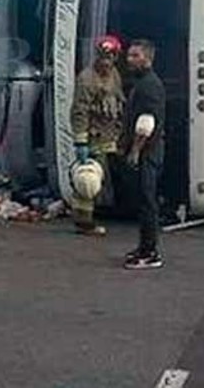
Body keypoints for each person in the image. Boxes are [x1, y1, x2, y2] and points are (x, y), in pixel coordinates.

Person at [70, 35, 126, 237]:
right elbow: (79, 111)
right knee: (88, 180)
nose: (106, 61)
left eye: (110, 57)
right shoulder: (86, 79)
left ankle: (108, 210)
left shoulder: (114, 75)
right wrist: (81, 140)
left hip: (111, 135)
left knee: (109, 178)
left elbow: (119, 101)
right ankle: (83, 223)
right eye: (103, 56)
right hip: (94, 137)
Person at [122, 39, 166, 270]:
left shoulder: (148, 85)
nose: (129, 59)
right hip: (149, 150)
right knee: (144, 201)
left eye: (135, 56)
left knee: (147, 202)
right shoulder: (146, 83)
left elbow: (146, 122)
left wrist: (135, 151)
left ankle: (150, 252)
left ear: (147, 59)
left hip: (147, 152)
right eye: (129, 55)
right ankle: (144, 247)